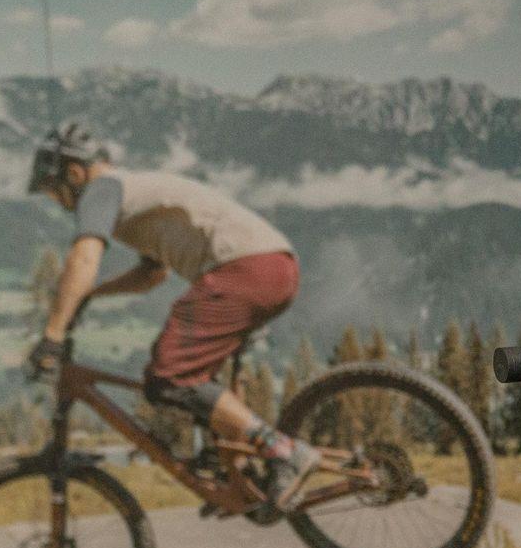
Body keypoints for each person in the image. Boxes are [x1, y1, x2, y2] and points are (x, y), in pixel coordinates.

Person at [24, 123, 319, 504]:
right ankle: (238, 474)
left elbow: (83, 258)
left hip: (245, 270)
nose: (58, 202)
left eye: (54, 190)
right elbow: (152, 274)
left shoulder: (101, 190)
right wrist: (92, 295)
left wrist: (52, 336)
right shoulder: (131, 194)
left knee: (169, 376)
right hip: (273, 267)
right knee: (192, 378)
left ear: (75, 174)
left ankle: (283, 452)